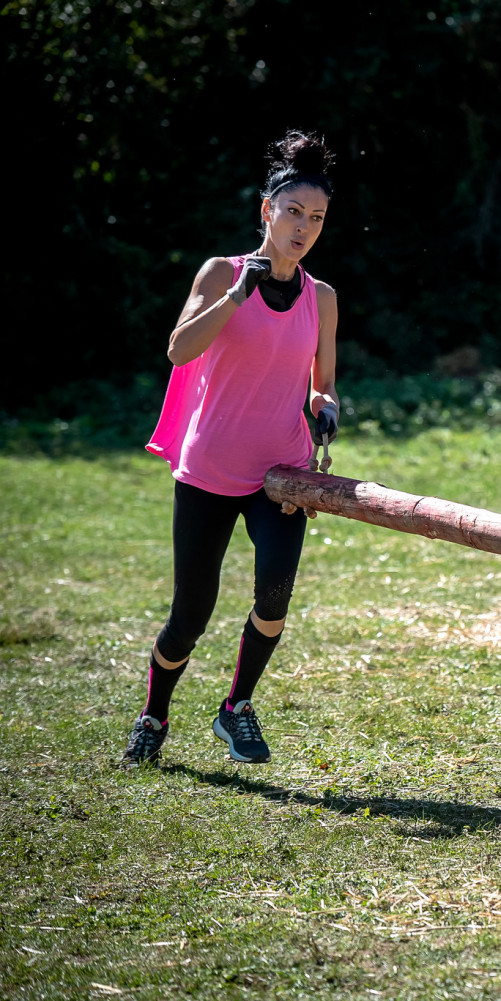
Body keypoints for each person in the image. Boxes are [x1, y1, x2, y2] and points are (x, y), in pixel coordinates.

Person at [121, 130, 341, 767]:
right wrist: (235, 295)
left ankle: (235, 708)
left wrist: (326, 407)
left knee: (274, 597)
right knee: (190, 613)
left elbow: (322, 383)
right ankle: (154, 714)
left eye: (317, 218)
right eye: (294, 212)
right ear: (265, 211)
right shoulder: (221, 273)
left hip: (283, 474)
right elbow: (179, 349)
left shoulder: (322, 298)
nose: (304, 228)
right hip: (211, 467)